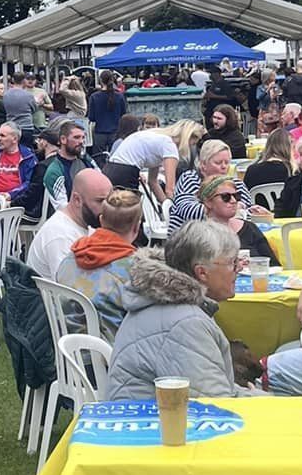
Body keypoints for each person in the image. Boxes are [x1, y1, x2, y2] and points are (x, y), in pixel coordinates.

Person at [103, 219, 241, 401]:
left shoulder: (172, 303)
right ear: (202, 273)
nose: (239, 269)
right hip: (155, 425)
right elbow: (213, 405)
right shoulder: (187, 323)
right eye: (232, 262)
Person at [53, 188, 148, 338]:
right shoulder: (137, 271)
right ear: (137, 227)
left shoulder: (72, 255)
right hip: (109, 355)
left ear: (101, 220)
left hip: (64, 348)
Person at [27, 166, 111, 283]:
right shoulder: (60, 236)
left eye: (109, 201)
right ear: (77, 200)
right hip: (53, 300)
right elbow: (70, 291)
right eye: (100, 201)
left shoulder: (87, 224)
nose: (107, 208)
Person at [104, 120, 179, 198]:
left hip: (110, 169)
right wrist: (171, 207)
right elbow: (169, 190)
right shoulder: (170, 145)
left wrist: (164, 204)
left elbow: (152, 182)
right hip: (126, 173)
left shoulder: (157, 141)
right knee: (131, 207)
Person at [41, 119, 92, 205]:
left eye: (83, 137)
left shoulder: (87, 160)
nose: (81, 141)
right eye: (76, 137)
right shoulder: (54, 171)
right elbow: (63, 208)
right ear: (63, 139)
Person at [0, 123, 37, 199]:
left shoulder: (28, 157)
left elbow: (29, 183)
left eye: (2, 136)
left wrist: (10, 194)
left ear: (15, 139)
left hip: (16, 200)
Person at [87, 73, 127, 159]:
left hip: (99, 132)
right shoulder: (119, 96)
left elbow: (91, 117)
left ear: (100, 80)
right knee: (116, 158)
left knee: (99, 159)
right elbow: (123, 115)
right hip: (115, 132)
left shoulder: (94, 97)